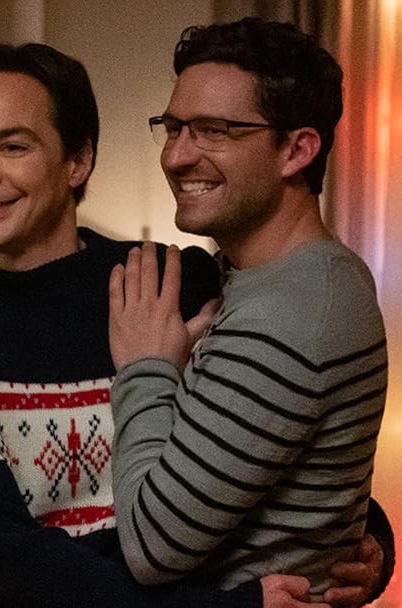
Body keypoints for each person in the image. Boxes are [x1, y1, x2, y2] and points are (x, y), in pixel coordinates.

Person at [0, 40, 392, 607]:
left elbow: (259, 443)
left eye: (13, 146)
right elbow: (15, 563)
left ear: (78, 161)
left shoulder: (172, 284)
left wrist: (360, 537)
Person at [106, 18, 390, 600]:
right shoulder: (287, 279)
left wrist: (144, 370)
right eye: (174, 127)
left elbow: (153, 548)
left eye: (214, 131)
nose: (176, 156)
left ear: (296, 149)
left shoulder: (291, 311)